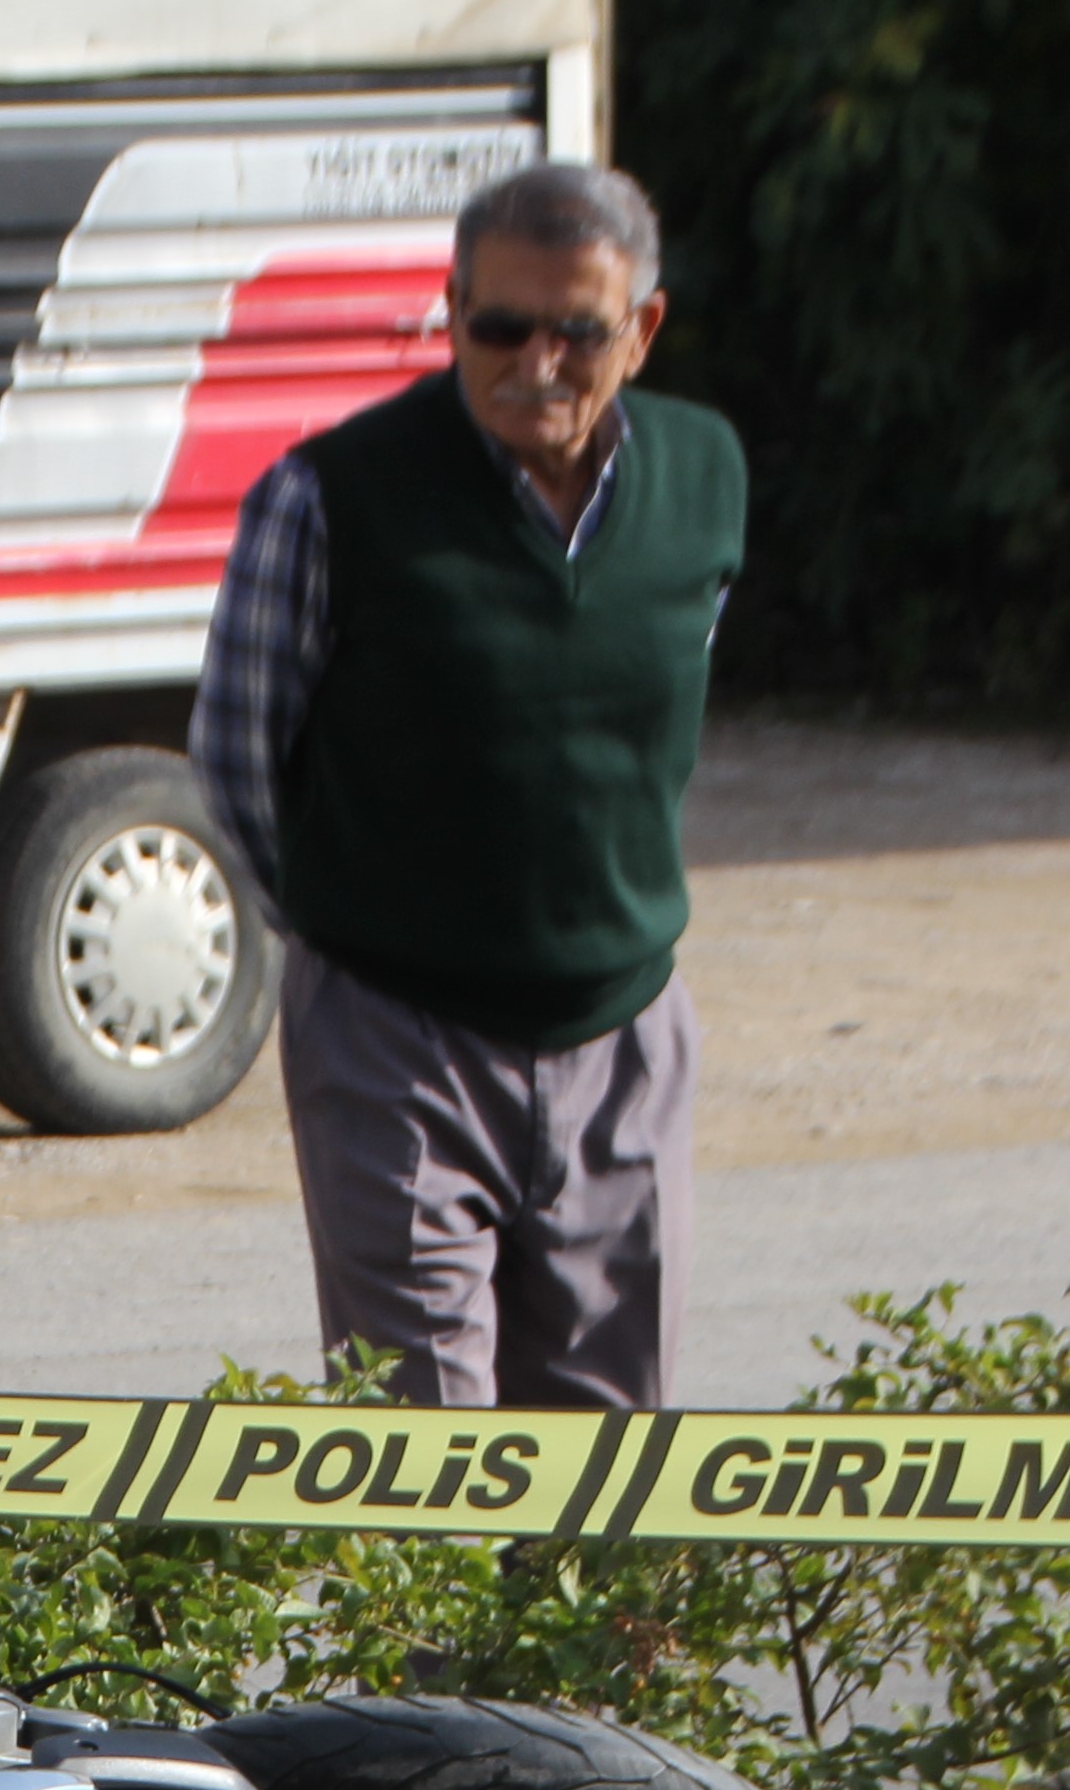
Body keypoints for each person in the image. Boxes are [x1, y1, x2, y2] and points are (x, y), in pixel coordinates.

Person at [189, 160, 744, 1409]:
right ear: (451, 314)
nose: (533, 362)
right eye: (497, 326)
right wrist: (372, 929)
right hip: (397, 1043)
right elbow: (236, 756)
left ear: (641, 330)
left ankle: (603, 1619)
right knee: (425, 1466)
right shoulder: (327, 496)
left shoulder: (704, 480)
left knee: (612, 1471)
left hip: (620, 1037)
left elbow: (652, 719)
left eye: (577, 331)